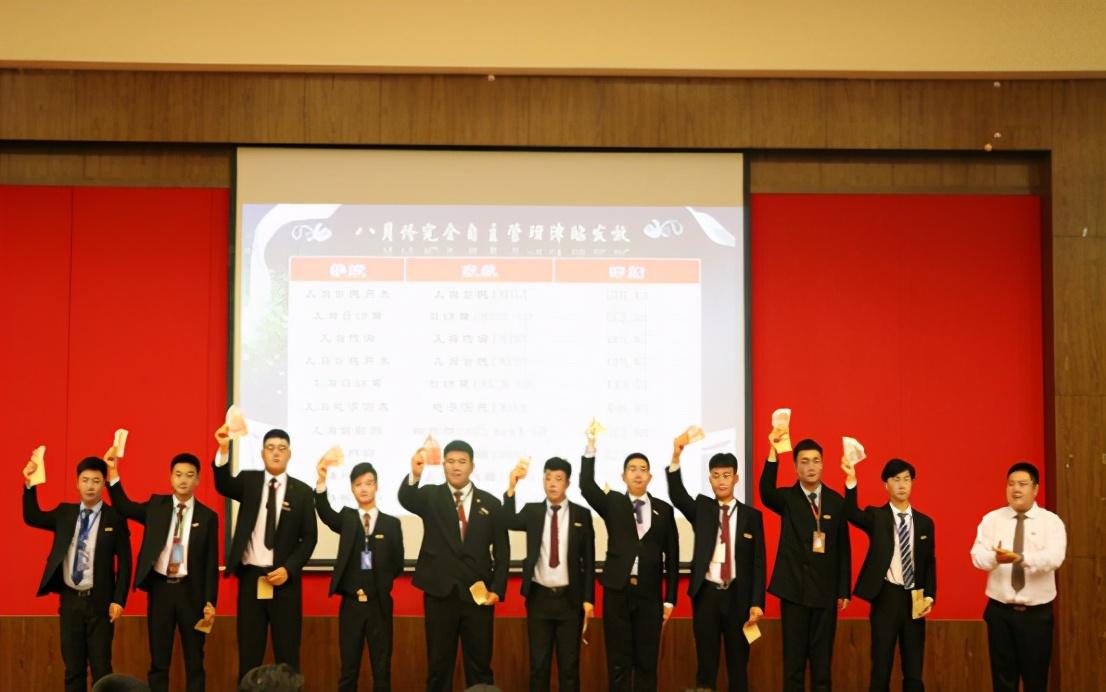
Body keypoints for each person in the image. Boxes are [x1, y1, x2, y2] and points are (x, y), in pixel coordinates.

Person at [398, 439, 509, 691]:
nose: (456, 467)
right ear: (443, 465)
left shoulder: (491, 504)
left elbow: (503, 551)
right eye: (450, 461)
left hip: (478, 596)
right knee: (438, 666)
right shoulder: (431, 496)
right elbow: (407, 498)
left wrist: (497, 589)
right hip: (440, 593)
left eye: (462, 461)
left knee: (480, 667)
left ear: (472, 466)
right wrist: (415, 474)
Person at [106, 449, 219, 692]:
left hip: (191, 593)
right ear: (170, 477)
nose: (183, 479)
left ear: (198, 480)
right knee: (159, 661)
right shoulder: (157, 506)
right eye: (178, 474)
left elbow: (211, 565)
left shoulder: (208, 517)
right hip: (161, 590)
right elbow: (124, 506)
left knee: (195, 661)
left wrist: (210, 602)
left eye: (189, 475)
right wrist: (113, 473)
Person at [212, 426, 318, 681]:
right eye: (270, 448)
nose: (276, 453)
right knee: (249, 655)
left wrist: (289, 569)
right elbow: (223, 484)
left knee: (288, 657)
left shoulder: (303, 492)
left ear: (289, 454)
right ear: (262, 454)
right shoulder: (249, 481)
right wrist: (224, 448)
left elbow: (309, 538)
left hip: (285, 584)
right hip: (252, 580)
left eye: (282, 448)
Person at [579, 428, 679, 691]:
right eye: (632, 469)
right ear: (623, 476)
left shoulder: (664, 510)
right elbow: (586, 486)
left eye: (643, 469)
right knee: (618, 662)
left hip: (650, 595)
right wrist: (590, 447)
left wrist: (670, 599)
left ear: (650, 476)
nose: (637, 473)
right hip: (617, 591)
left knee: (646, 662)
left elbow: (673, 556)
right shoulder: (612, 502)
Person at [22, 453, 132, 692]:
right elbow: (32, 517)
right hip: (70, 600)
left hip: (101, 603)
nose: (90, 486)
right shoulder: (65, 513)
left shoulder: (115, 518)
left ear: (104, 484)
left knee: (102, 669)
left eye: (96, 480)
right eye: (85, 480)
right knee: (73, 670)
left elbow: (125, 562)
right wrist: (29, 485)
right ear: (77, 483)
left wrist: (119, 600)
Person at [667, 442, 765, 692]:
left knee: (738, 665)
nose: (721, 481)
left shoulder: (751, 516)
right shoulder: (702, 508)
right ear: (709, 479)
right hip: (707, 595)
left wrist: (757, 602)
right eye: (716, 475)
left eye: (726, 475)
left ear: (736, 478)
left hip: (739, 597)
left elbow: (758, 562)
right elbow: (677, 496)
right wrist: (676, 457)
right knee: (706, 665)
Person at [759, 433, 850, 692]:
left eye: (816, 461)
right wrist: (773, 452)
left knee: (822, 667)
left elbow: (843, 548)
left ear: (823, 464)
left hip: (826, 593)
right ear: (796, 467)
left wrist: (843, 590)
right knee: (794, 665)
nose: (811, 466)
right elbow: (765, 492)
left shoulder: (836, 501)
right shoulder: (787, 498)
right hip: (794, 592)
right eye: (804, 461)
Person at [841, 457, 936, 692]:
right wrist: (851, 480)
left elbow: (929, 562)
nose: (902, 484)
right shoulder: (877, 516)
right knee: (881, 666)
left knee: (913, 669)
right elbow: (851, 512)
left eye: (907, 479)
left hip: (915, 599)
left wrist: (930, 596)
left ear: (912, 483)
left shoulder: (925, 523)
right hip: (886, 596)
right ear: (886, 484)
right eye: (896, 479)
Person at [502, 456, 596, 692]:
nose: (552, 483)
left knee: (569, 667)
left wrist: (588, 599)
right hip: (539, 598)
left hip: (570, 600)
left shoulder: (581, 515)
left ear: (568, 483)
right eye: (548, 478)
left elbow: (589, 561)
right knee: (538, 666)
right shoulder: (532, 511)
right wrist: (511, 487)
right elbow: (508, 520)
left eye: (558, 479)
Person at [970, 462, 1066, 692]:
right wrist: (996, 558)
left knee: (1036, 681)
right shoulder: (992, 519)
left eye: (1022, 484)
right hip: (1000, 612)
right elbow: (977, 556)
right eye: (1011, 484)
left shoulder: (1051, 522)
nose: (1016, 489)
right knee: (1003, 682)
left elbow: (1055, 558)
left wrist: (1020, 558)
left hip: (1036, 616)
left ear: (1035, 489)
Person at [314, 457, 404, 692]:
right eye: (358, 484)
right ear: (352, 489)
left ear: (376, 486)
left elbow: (397, 563)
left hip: (379, 605)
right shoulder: (347, 518)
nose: (364, 488)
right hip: (351, 605)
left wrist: (379, 583)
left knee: (382, 671)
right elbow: (325, 513)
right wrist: (321, 481)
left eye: (369, 483)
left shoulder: (391, 524)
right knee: (349, 670)